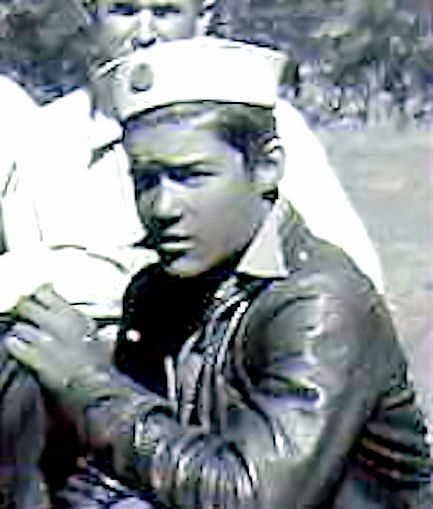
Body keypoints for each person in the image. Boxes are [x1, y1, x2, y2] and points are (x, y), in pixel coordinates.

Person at [5, 37, 432, 509]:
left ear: (267, 167)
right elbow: (134, 466)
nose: (163, 207)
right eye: (145, 179)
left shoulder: (321, 303)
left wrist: (88, 383)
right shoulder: (158, 291)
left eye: (191, 176)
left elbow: (255, 497)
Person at [0, 0, 384, 321]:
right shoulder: (46, 137)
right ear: (90, 13)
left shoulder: (262, 121)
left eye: (165, 12)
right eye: (124, 11)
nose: (144, 33)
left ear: (204, 16)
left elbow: (351, 282)